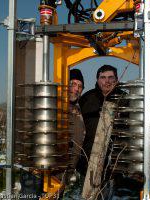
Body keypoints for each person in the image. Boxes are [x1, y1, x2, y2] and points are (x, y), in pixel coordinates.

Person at [77, 64, 141, 199]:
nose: (107, 81)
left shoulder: (125, 100)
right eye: (103, 77)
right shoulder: (86, 99)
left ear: (116, 80)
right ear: (97, 79)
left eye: (111, 77)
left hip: (115, 169)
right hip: (87, 165)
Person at [62, 68, 86, 199]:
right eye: (72, 84)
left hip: (66, 177)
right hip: (45, 174)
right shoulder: (54, 107)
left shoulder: (80, 111)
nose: (76, 89)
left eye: (80, 86)